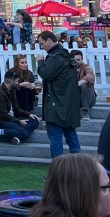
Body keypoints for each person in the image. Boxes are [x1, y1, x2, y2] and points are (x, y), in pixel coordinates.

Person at [38, 30, 81, 158]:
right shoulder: (65, 54)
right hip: (67, 103)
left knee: (56, 139)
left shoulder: (55, 57)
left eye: (42, 43)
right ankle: (80, 166)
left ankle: (58, 168)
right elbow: (58, 78)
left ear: (49, 40)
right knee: (71, 136)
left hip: (56, 104)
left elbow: (46, 74)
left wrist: (40, 62)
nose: (41, 47)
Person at [0, 71, 40, 145]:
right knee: (24, 134)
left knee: (35, 121)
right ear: (11, 81)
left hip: (11, 118)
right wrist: (19, 121)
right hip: (0, 121)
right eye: (17, 81)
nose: (18, 82)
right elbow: (3, 115)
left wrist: (29, 114)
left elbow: (17, 109)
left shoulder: (11, 90)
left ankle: (15, 136)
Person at [71, 48, 97, 121]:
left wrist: (79, 83)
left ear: (82, 59)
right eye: (74, 60)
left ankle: (85, 111)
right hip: (74, 99)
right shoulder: (67, 68)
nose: (76, 62)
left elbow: (90, 76)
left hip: (88, 99)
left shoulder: (86, 67)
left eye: (78, 60)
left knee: (85, 85)